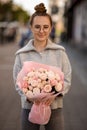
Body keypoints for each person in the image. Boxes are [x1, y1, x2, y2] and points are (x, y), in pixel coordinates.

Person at [13, 3, 72, 130]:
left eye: (45, 27)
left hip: (55, 108)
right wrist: (29, 97)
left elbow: (67, 79)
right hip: (29, 108)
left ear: (51, 28)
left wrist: (54, 95)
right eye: (37, 27)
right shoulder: (21, 54)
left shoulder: (60, 52)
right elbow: (17, 83)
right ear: (31, 27)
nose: (41, 31)